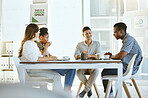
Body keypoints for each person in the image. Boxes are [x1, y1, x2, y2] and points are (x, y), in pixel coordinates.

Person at [101, 22, 142, 98]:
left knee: (105, 72)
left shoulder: (129, 40)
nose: (114, 34)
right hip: (126, 67)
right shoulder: (127, 40)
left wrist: (111, 56)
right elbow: (121, 55)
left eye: (115, 32)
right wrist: (112, 56)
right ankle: (110, 94)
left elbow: (121, 55)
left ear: (121, 31)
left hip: (128, 70)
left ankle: (110, 95)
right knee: (107, 70)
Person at [35, 27, 76, 91]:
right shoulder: (37, 45)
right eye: (46, 37)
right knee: (71, 69)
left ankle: (67, 90)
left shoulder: (43, 45)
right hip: (44, 67)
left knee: (72, 69)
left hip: (49, 65)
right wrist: (46, 47)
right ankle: (66, 92)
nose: (48, 40)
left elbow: (48, 55)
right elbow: (41, 57)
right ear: (41, 37)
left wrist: (54, 57)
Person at [74, 26, 101, 98]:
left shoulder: (96, 43)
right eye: (86, 33)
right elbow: (75, 56)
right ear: (83, 35)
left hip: (93, 66)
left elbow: (99, 56)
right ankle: (89, 89)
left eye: (89, 33)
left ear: (91, 33)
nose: (88, 35)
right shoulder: (79, 45)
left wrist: (89, 55)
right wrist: (82, 55)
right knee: (77, 72)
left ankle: (85, 91)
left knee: (96, 71)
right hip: (83, 66)